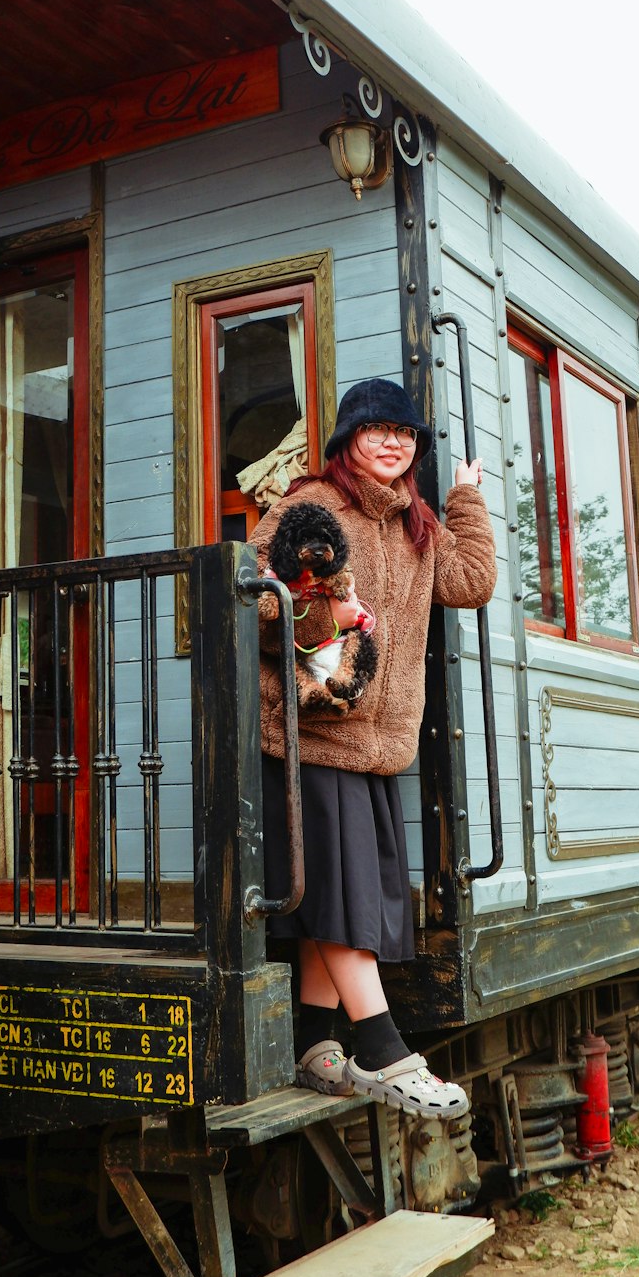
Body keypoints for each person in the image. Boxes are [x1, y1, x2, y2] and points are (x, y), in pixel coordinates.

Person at [250, 378, 497, 1120]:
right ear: (348, 439)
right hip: (314, 733)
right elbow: (254, 593)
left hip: (379, 743)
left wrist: (465, 500)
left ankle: (318, 1042)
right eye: (378, 429)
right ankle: (383, 1051)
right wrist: (333, 607)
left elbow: (474, 580)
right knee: (340, 897)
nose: (395, 442)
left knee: (340, 898)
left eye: (406, 434)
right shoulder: (309, 505)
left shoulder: (416, 524)